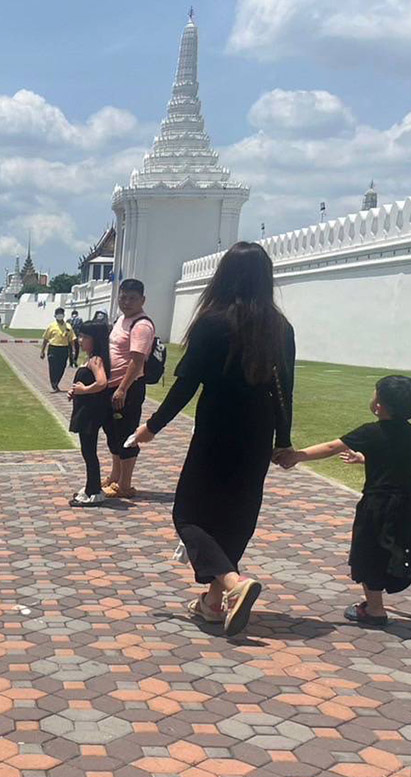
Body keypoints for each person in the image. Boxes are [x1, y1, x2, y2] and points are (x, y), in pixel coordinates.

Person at [130, 242, 295, 638]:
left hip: (217, 428)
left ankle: (234, 584)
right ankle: (213, 602)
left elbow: (186, 384)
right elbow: (284, 389)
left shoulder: (213, 322)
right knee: (237, 514)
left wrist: (152, 426)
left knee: (188, 514)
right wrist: (284, 439)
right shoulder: (280, 327)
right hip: (258, 432)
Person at [276, 376, 411, 625]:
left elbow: (332, 447)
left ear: (379, 406)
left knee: (368, 553)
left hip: (379, 506)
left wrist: (297, 456)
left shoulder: (370, 431)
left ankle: (374, 610)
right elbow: (395, 458)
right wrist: (365, 459)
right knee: (405, 549)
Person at [101, 279, 155, 499]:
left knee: (125, 435)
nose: (127, 302)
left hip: (127, 389)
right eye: (123, 297)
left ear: (142, 300)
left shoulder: (141, 325)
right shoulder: (122, 320)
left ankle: (125, 484)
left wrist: (122, 389)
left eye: (133, 298)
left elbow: (137, 360)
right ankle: (115, 476)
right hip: (112, 386)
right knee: (113, 433)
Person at [67, 321, 111, 507]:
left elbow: (102, 382)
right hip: (85, 409)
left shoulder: (95, 360)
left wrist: (84, 390)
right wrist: (76, 391)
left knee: (89, 452)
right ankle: (91, 487)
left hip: (90, 412)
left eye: (85, 337)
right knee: (88, 451)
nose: (80, 340)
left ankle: (93, 490)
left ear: (95, 339)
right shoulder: (91, 359)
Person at [40, 307, 76, 392]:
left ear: (64, 315)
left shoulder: (68, 326)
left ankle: (57, 382)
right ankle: (54, 383)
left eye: (61, 313)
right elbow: (45, 339)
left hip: (63, 349)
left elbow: (72, 339)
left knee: (62, 367)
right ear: (55, 315)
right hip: (53, 348)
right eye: (58, 314)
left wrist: (73, 350)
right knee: (53, 367)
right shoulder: (51, 326)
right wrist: (42, 351)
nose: (60, 315)